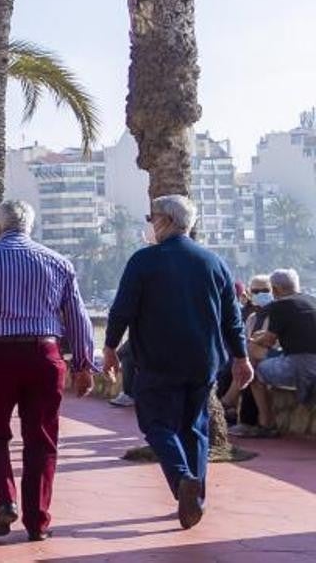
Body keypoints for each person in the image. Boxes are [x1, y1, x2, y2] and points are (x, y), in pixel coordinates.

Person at [0, 200, 96, 542]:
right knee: (41, 440)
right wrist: (84, 364)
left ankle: (4, 499)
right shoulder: (57, 262)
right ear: (31, 227)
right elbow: (78, 318)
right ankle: (37, 522)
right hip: (43, 354)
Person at [104, 195, 251, 531]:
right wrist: (241, 356)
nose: (150, 224)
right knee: (194, 427)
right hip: (204, 361)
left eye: (151, 218)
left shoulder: (144, 261)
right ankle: (194, 500)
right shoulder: (214, 262)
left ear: (166, 221)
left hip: (158, 359)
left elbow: (122, 309)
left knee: (156, 424)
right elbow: (232, 318)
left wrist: (110, 347)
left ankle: (183, 479)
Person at [237, 268, 316, 438]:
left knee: (255, 372)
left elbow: (268, 341)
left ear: (276, 289)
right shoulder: (312, 300)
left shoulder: (281, 306)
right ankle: (231, 402)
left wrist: (253, 339)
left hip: (300, 363)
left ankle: (266, 422)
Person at [220, 275, 272, 426]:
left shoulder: (277, 313)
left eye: (265, 290)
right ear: (250, 293)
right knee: (231, 367)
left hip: (267, 357)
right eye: (256, 291)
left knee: (247, 367)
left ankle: (228, 402)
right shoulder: (252, 318)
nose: (261, 294)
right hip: (252, 358)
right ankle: (230, 412)